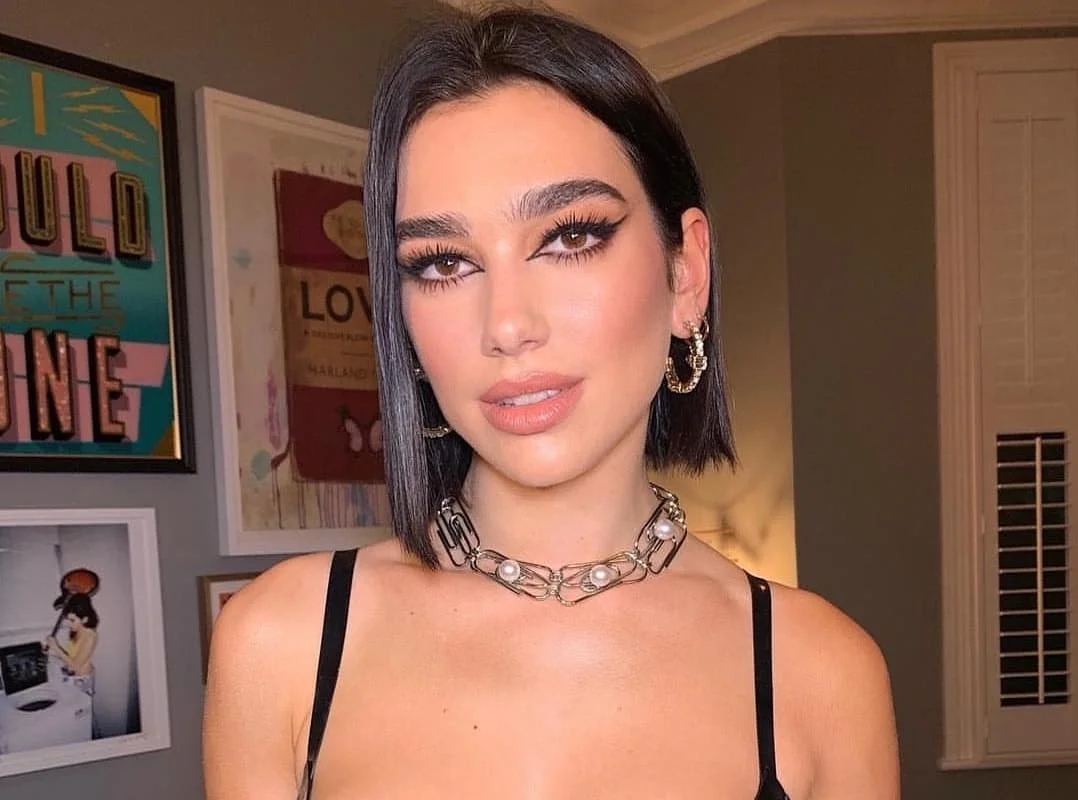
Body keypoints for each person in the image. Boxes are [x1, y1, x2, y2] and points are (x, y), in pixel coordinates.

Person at [203, 6, 900, 799]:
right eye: (442, 263)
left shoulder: (821, 673)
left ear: (686, 275)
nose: (506, 326)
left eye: (570, 237)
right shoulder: (281, 642)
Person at [44, 593, 98, 693]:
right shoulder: (76, 630)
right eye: (68, 619)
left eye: (72, 620)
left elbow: (75, 666)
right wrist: (53, 650)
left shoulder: (90, 636)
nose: (68, 624)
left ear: (85, 619)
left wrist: (56, 648)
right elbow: (69, 657)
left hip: (82, 681)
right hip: (71, 676)